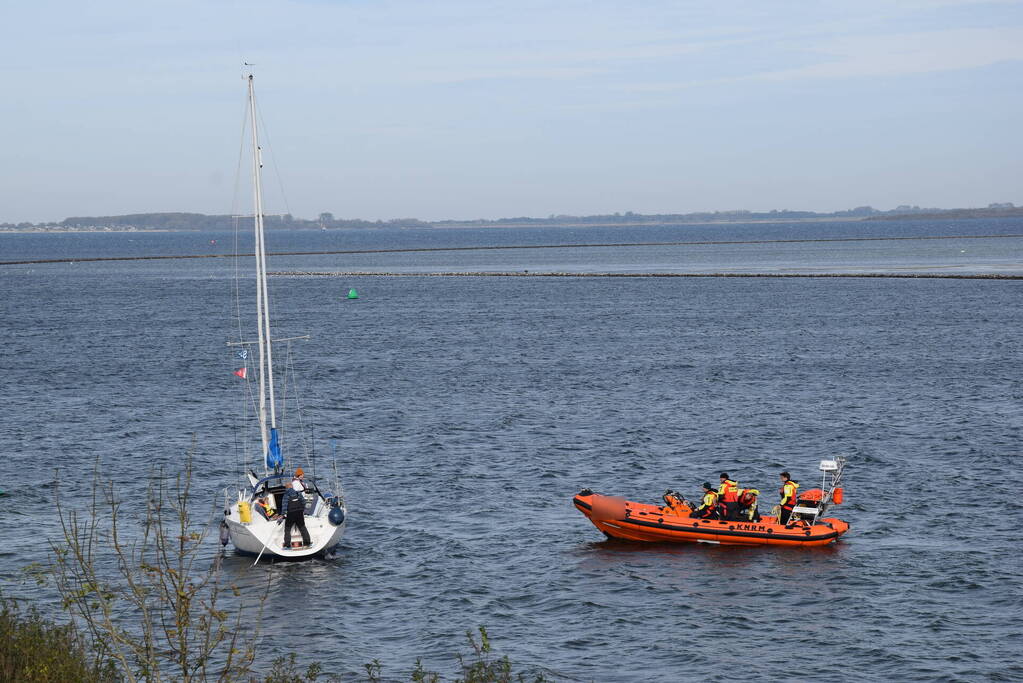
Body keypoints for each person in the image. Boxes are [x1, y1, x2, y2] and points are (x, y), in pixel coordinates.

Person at [282, 482, 311, 549]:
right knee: (302, 527)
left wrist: (282, 514)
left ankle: (287, 545)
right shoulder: (298, 493)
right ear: (292, 486)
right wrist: (303, 510)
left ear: (286, 488)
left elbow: (284, 506)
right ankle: (307, 543)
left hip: (291, 513)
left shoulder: (286, 495)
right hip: (299, 513)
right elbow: (304, 502)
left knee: (287, 529)